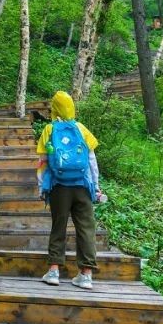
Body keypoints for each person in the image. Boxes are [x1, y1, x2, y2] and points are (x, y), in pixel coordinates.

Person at [36, 91, 104, 289]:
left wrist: (42, 187)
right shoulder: (81, 129)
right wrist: (96, 186)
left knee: (59, 226)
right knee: (86, 228)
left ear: (54, 108)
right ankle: (86, 274)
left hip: (59, 187)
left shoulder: (49, 129)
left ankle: (54, 271)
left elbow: (42, 163)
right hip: (82, 186)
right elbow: (92, 161)